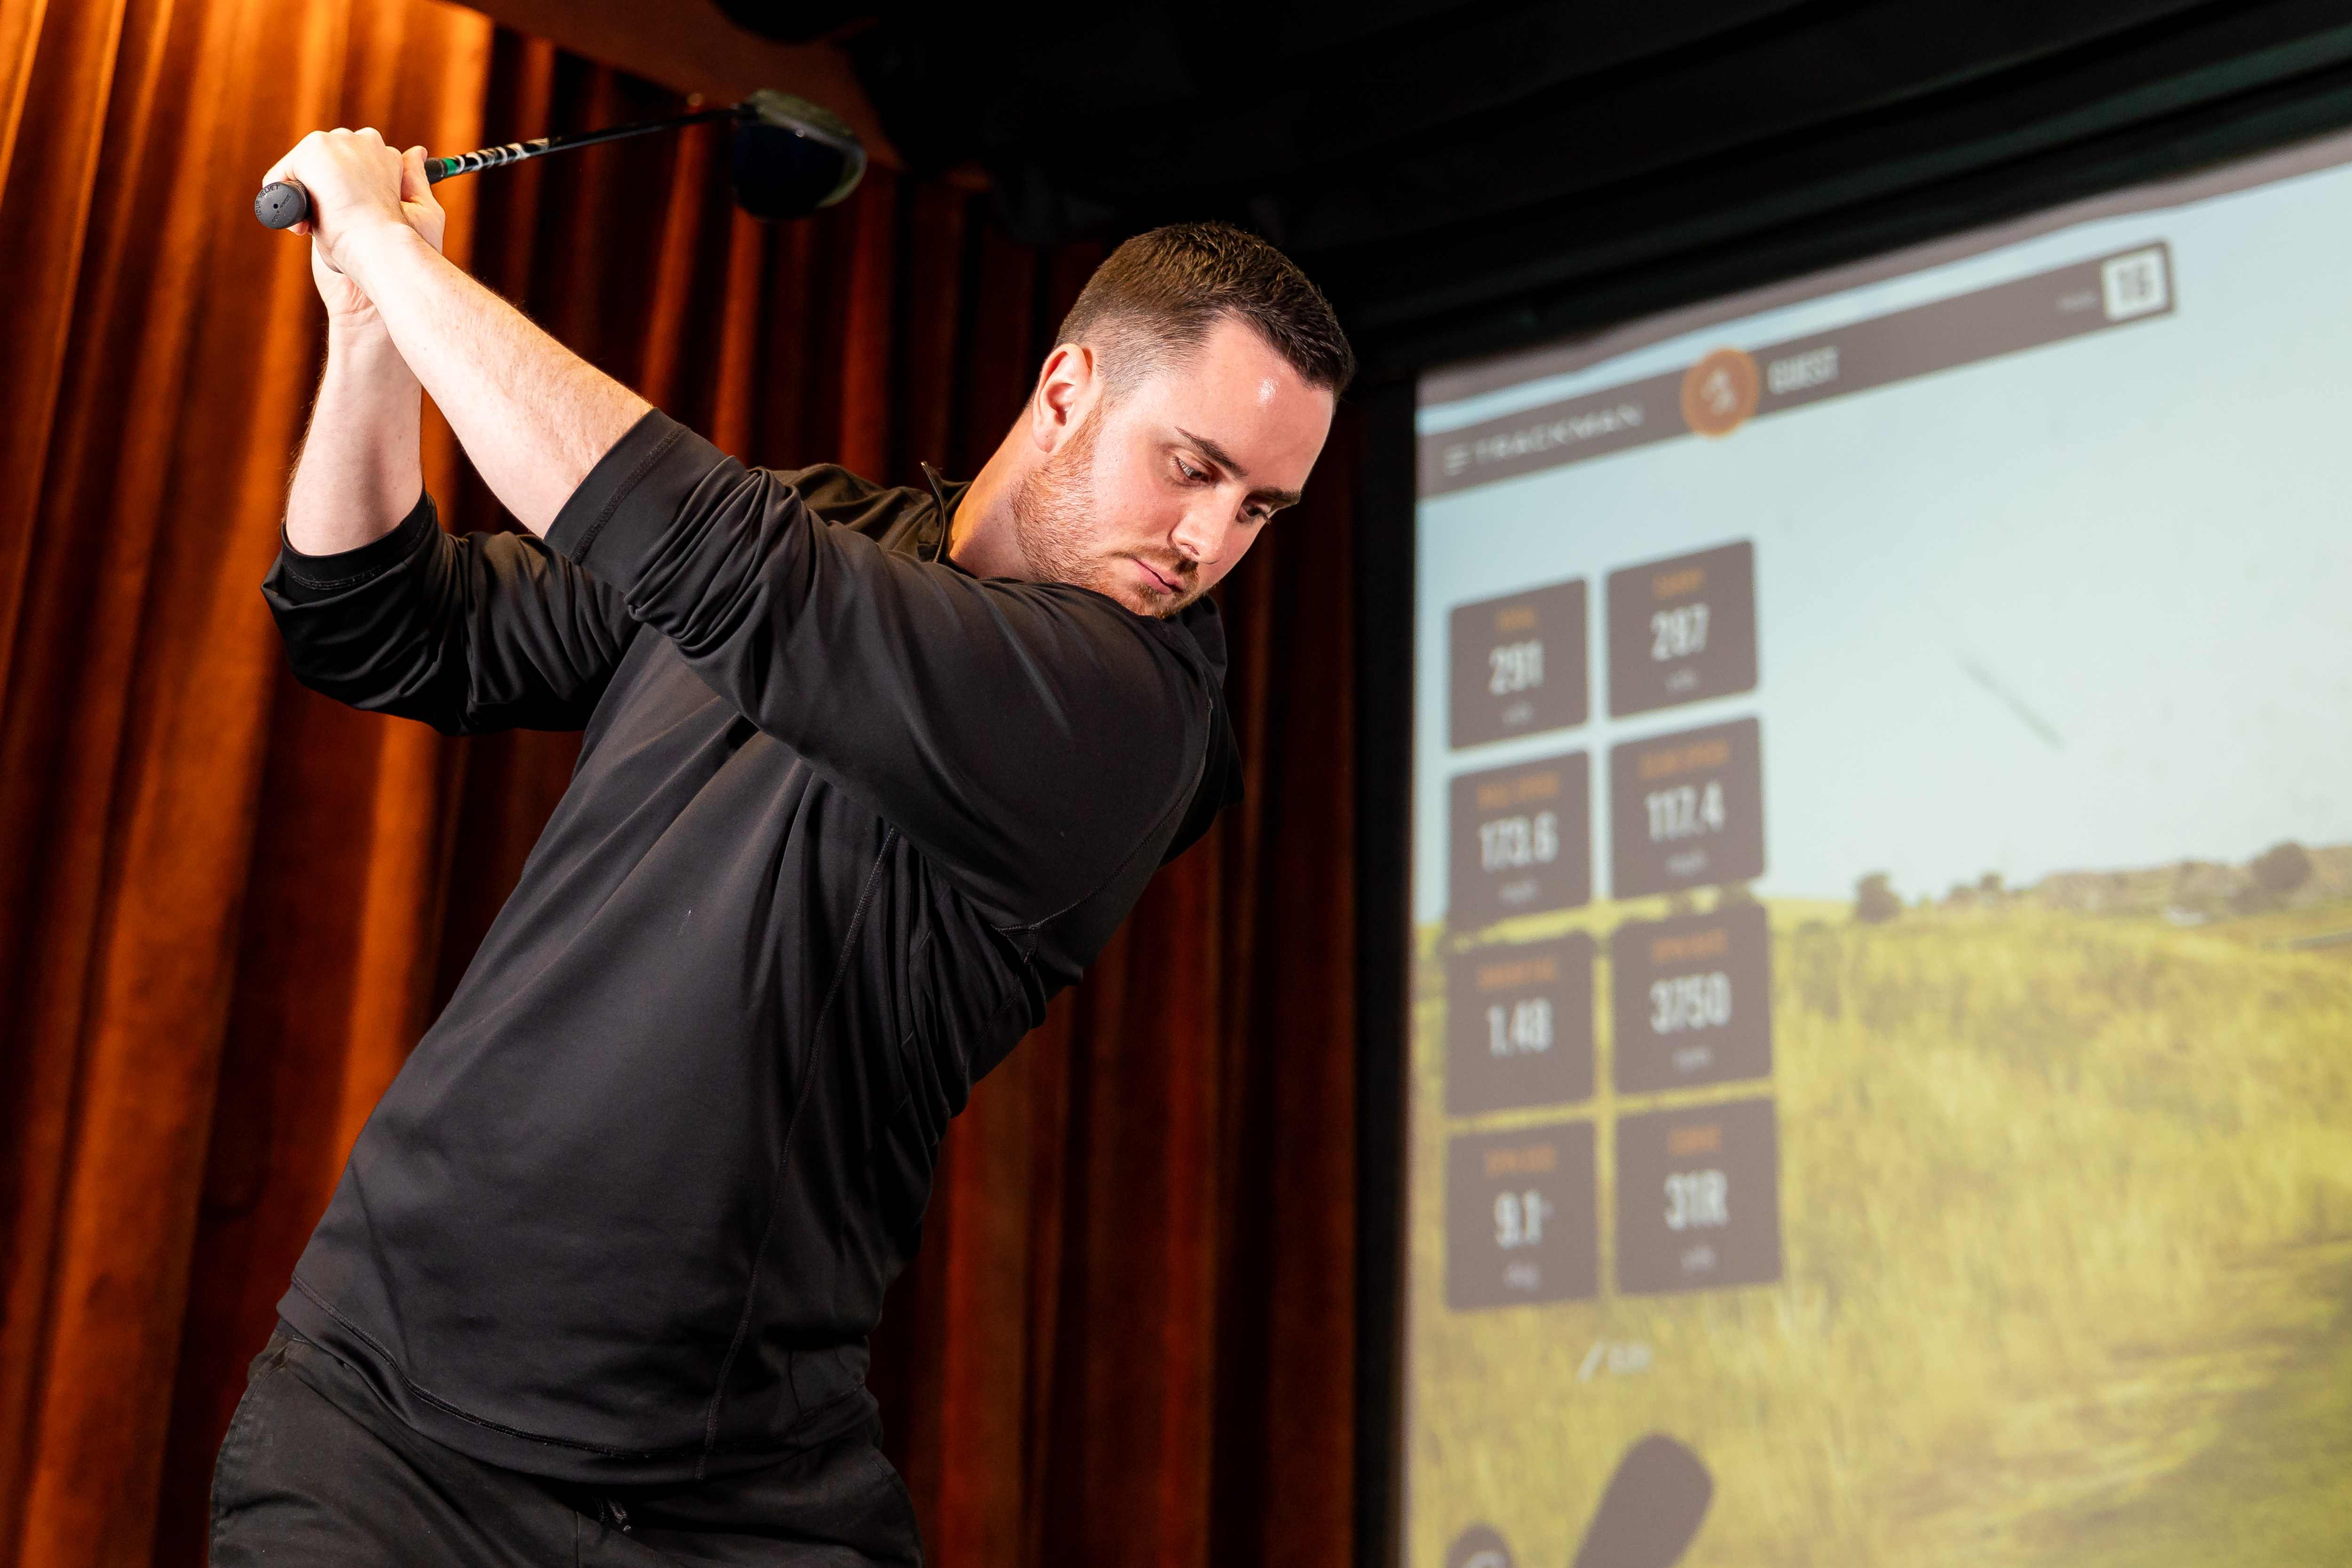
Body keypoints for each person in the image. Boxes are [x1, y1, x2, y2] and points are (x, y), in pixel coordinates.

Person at [209, 128, 1351, 1565]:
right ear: (1069, 390)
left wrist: (383, 244)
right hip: (380, 1422)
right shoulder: (833, 527)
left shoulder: (1133, 716)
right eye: (1194, 469)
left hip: (721, 1499)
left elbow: (725, 568)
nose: (1208, 540)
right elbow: (373, 620)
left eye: (1259, 509)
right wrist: (372, 333)